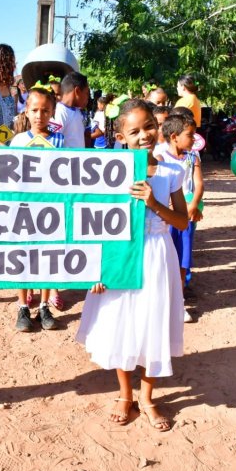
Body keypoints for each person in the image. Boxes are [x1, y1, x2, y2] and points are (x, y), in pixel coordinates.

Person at [77, 98, 188, 430]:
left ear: (158, 125)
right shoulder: (110, 170)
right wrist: (96, 269)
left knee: (154, 324)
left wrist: (154, 203)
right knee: (122, 324)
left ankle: (148, 397)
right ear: (122, 136)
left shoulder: (171, 170)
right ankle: (125, 394)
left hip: (158, 255)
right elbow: (93, 222)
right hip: (122, 257)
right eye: (135, 131)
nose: (144, 135)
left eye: (149, 127)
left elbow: (182, 222)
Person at [8, 87, 65, 331]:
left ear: (52, 112)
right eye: (34, 110)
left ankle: (43, 305)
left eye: (45, 110)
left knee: (47, 256)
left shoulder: (61, 141)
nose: (39, 115)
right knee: (22, 255)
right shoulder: (19, 140)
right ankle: (22, 306)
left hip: (50, 209)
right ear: (26, 111)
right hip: (23, 208)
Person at [157, 114, 204, 323]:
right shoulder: (159, 157)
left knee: (183, 260)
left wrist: (193, 205)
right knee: (166, 259)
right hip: (165, 219)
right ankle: (162, 302)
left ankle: (179, 302)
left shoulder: (192, 157)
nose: (194, 139)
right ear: (174, 136)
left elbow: (198, 184)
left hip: (186, 217)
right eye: (190, 135)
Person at [53, 72, 90, 148]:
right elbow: (53, 143)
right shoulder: (60, 111)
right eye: (86, 93)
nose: (87, 98)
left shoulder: (78, 111)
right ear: (77, 91)